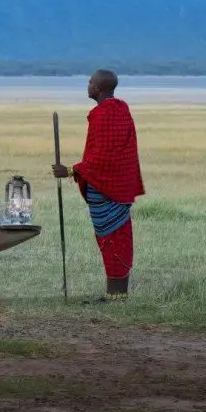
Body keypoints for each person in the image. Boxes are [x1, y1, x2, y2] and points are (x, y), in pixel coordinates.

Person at [52, 69, 145, 302]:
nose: (88, 85)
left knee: (114, 240)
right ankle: (116, 293)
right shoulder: (120, 110)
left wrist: (71, 170)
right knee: (114, 239)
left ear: (99, 88)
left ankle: (116, 295)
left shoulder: (105, 114)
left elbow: (103, 157)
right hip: (116, 186)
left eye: (91, 82)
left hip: (108, 188)